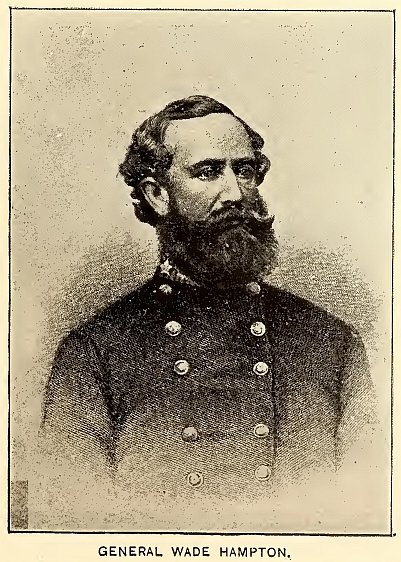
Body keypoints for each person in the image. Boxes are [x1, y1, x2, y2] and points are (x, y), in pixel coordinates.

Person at [41, 95, 376, 528]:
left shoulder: (332, 343)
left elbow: (363, 516)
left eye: (245, 170)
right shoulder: (94, 352)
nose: (235, 194)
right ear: (157, 195)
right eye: (208, 172)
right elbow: (71, 524)